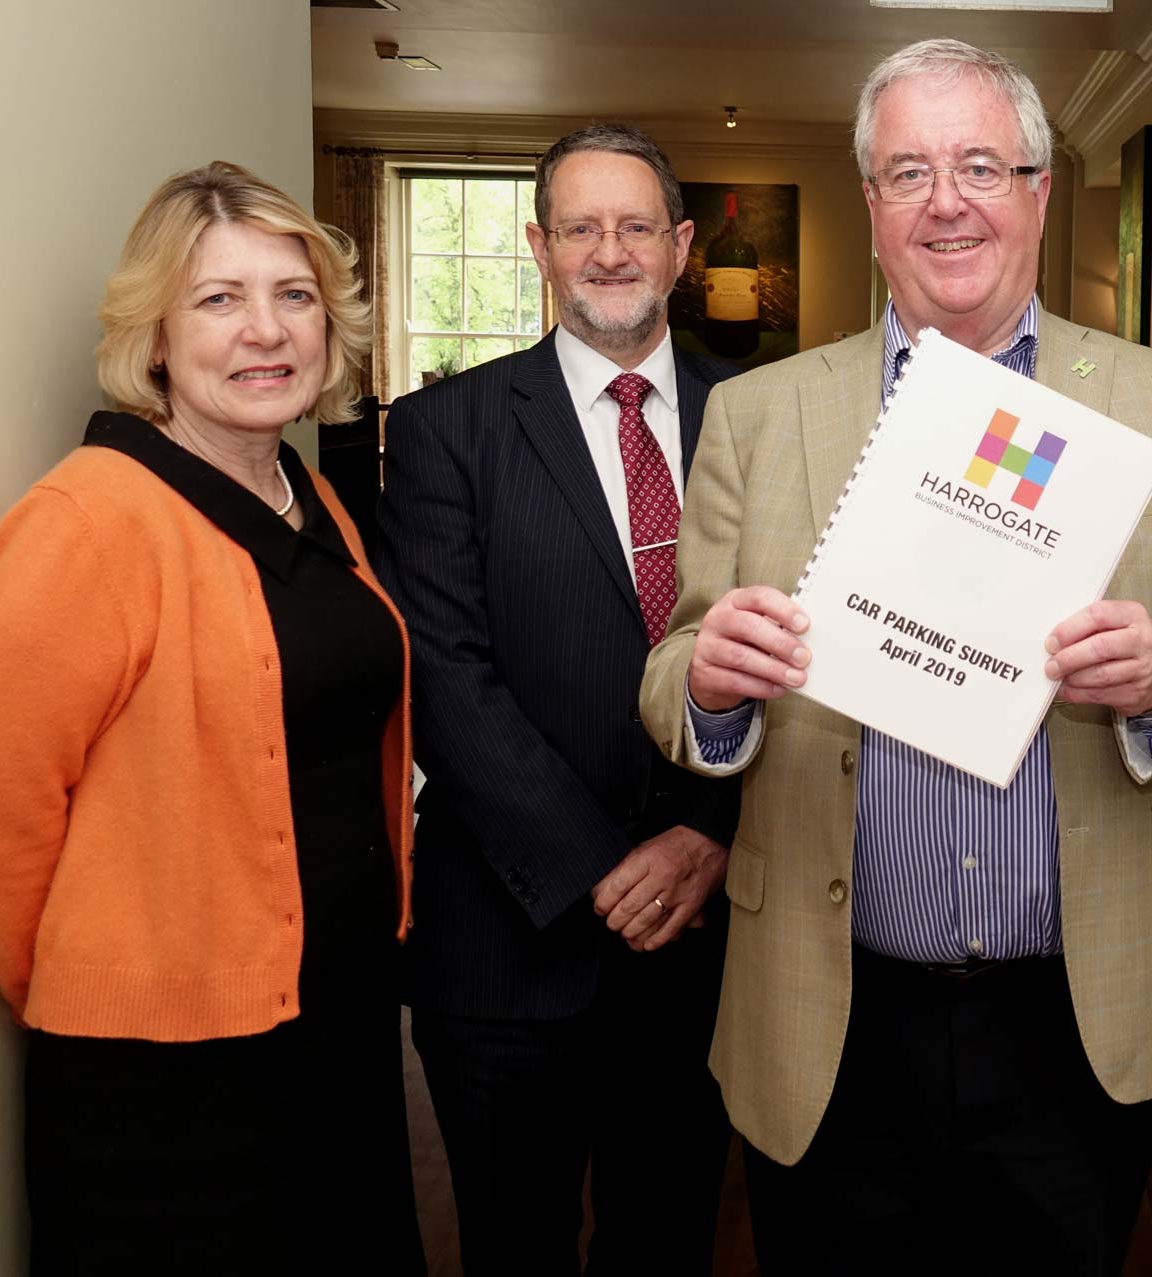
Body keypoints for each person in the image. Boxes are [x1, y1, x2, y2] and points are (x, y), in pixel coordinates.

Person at [638, 38, 1152, 1276]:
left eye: (981, 164)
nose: (947, 200)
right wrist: (712, 685)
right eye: (907, 172)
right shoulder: (760, 413)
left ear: (1040, 191)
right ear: (870, 206)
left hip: (1079, 1008)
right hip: (832, 1010)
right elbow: (670, 677)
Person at [0, 161, 420, 1274]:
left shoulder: (306, 490)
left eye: (292, 295)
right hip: (166, 1076)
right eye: (218, 299)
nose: (264, 330)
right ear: (154, 337)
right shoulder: (89, 517)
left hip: (333, 1024)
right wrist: (124, 971)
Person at [373, 124, 740, 1274]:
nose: (609, 251)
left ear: (680, 247)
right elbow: (445, 674)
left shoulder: (762, 417)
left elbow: (810, 656)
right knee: (512, 1247)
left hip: (708, 938)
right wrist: (601, 867)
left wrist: (708, 832)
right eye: (579, 226)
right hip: (506, 945)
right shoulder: (445, 430)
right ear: (537, 246)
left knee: (667, 1236)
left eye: (635, 226)